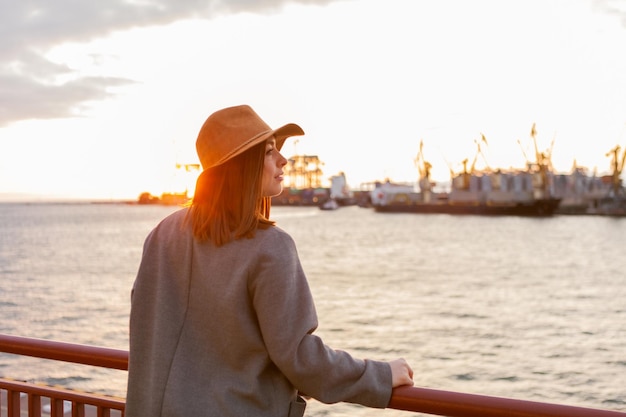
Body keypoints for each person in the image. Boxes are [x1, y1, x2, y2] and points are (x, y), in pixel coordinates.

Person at [125, 104, 414, 417]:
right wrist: (380, 376)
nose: (283, 160)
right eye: (268, 151)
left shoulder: (163, 234)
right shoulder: (270, 246)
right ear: (241, 165)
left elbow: (147, 332)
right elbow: (300, 357)